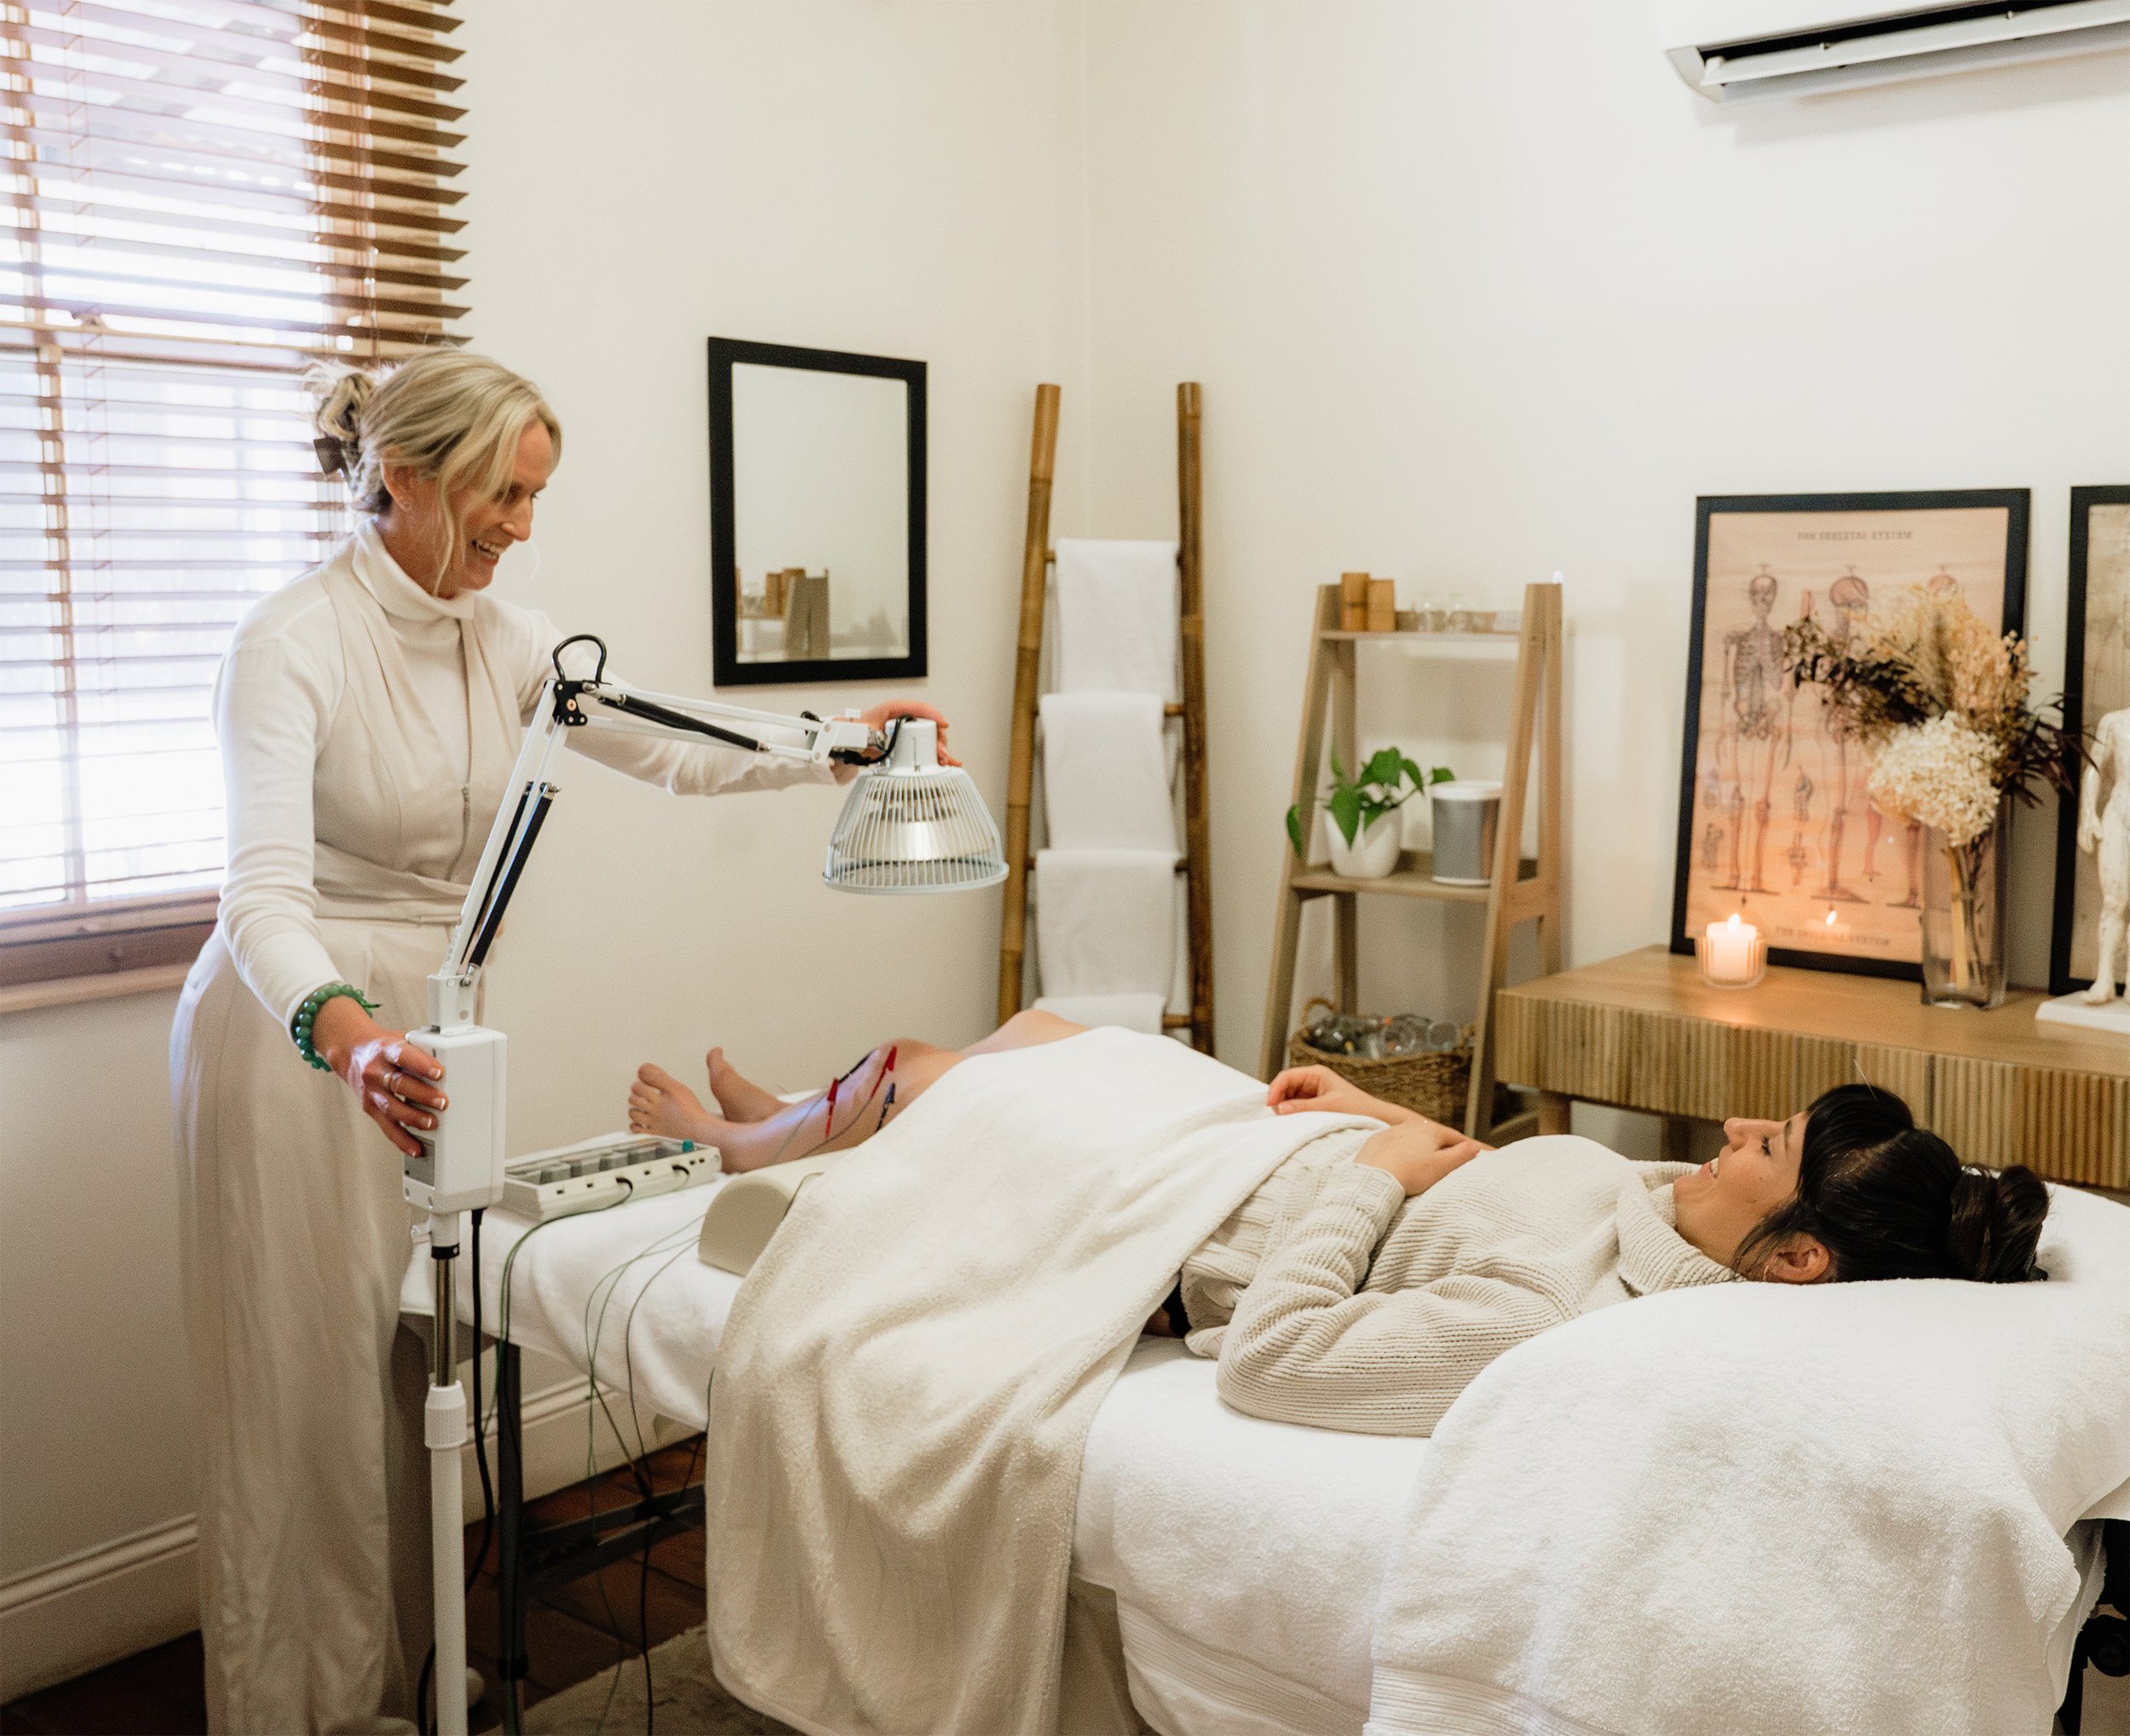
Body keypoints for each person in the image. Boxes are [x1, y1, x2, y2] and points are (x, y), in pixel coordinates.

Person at [170, 350, 949, 1735]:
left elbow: (682, 745)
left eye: (535, 496)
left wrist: (848, 741)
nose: (524, 526)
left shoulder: (512, 640)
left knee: (419, 1352)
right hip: (298, 1035)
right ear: (402, 477)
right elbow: (258, 900)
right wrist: (345, 1044)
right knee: (312, 1388)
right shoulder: (288, 643)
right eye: (500, 494)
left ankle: (414, 1670)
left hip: (438, 1020)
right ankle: (313, 1706)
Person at [628, 1013, 2050, 1435]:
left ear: (1799, 1254)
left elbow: (1276, 1357)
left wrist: (1371, 1166)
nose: (1742, 1124)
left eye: (1773, 1145)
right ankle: (793, 1116)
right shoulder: (1654, 1208)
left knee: (943, 1074)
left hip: (1208, 1216)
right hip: (1282, 1148)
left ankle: (748, 1135)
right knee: (1050, 1025)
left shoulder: (1563, 1319)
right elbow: (1493, 1180)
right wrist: (1373, 1109)